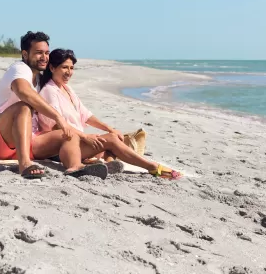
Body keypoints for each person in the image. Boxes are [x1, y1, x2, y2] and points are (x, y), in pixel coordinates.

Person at [0, 32, 108, 179]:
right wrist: (57, 117)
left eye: (46, 53)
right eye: (39, 53)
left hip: (23, 142)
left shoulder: (40, 79)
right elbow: (23, 91)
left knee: (68, 134)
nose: (44, 57)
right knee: (24, 106)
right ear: (25, 54)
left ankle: (76, 166)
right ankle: (25, 164)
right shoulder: (19, 68)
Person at [37, 48, 182, 179]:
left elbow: (85, 114)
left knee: (112, 139)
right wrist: (86, 137)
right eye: (64, 67)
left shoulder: (66, 89)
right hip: (62, 147)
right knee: (111, 140)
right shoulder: (49, 91)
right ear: (52, 67)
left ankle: (108, 164)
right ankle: (152, 167)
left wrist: (108, 128)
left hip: (77, 140)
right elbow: (57, 126)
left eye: (71, 68)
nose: (69, 72)